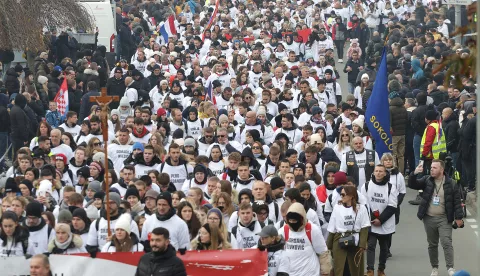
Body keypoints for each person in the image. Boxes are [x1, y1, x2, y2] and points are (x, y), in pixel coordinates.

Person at [408, 159, 464, 276]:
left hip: (444, 218)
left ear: (442, 170)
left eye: (434, 168)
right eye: (431, 167)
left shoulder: (451, 183)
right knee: (432, 244)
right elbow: (412, 184)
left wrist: (458, 217)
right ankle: (434, 268)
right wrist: (414, 173)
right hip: (429, 218)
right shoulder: (427, 180)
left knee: (446, 242)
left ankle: (450, 268)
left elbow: (457, 202)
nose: (431, 169)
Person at [360, 165, 398, 276]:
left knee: (384, 247)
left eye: (381, 171)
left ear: (385, 173)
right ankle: (370, 270)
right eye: (376, 171)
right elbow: (364, 204)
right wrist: (372, 218)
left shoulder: (391, 187)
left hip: (385, 222)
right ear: (373, 172)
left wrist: (380, 220)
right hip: (371, 222)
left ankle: (381, 269)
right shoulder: (366, 186)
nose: (378, 173)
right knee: (371, 245)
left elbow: (392, 206)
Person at [327, 185, 370, 276]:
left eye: (343, 194)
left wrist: (362, 245)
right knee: (340, 268)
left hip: (355, 240)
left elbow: (364, 227)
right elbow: (332, 227)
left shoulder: (361, 208)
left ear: (351, 196)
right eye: (340, 194)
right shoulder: (337, 208)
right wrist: (328, 246)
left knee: (354, 268)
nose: (341, 196)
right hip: (339, 239)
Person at [278, 202, 331, 276]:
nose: (292, 223)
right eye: (290, 221)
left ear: (301, 218)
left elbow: (323, 253)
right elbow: (277, 254)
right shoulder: (282, 231)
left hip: (310, 273)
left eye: (295, 221)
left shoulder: (312, 229)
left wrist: (325, 272)